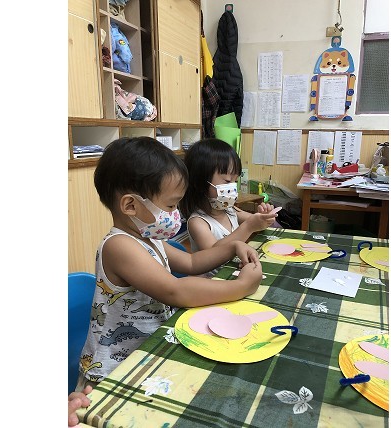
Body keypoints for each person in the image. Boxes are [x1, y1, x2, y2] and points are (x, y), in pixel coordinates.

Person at [77, 136, 262, 391]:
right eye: (170, 205)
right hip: (111, 375)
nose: (176, 214)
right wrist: (241, 286)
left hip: (148, 353)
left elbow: (192, 262)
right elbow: (175, 291)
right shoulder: (119, 246)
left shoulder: (149, 237)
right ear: (130, 205)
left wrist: (232, 246)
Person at [180, 139, 277, 273]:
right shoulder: (198, 222)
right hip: (213, 280)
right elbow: (214, 254)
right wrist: (248, 227)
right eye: (227, 181)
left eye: (235, 181)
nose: (233, 186)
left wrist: (264, 217)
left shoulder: (229, 210)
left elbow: (255, 221)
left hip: (235, 271)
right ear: (200, 182)